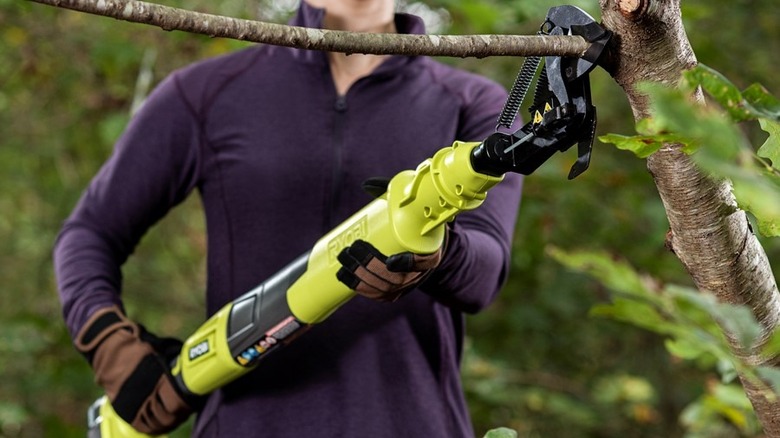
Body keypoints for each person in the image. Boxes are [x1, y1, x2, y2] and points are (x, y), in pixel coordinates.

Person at [54, 0, 524, 436]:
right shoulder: (206, 94)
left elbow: (482, 274)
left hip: (412, 423)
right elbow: (90, 233)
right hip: (243, 423)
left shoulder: (473, 104)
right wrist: (109, 342)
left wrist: (438, 254)